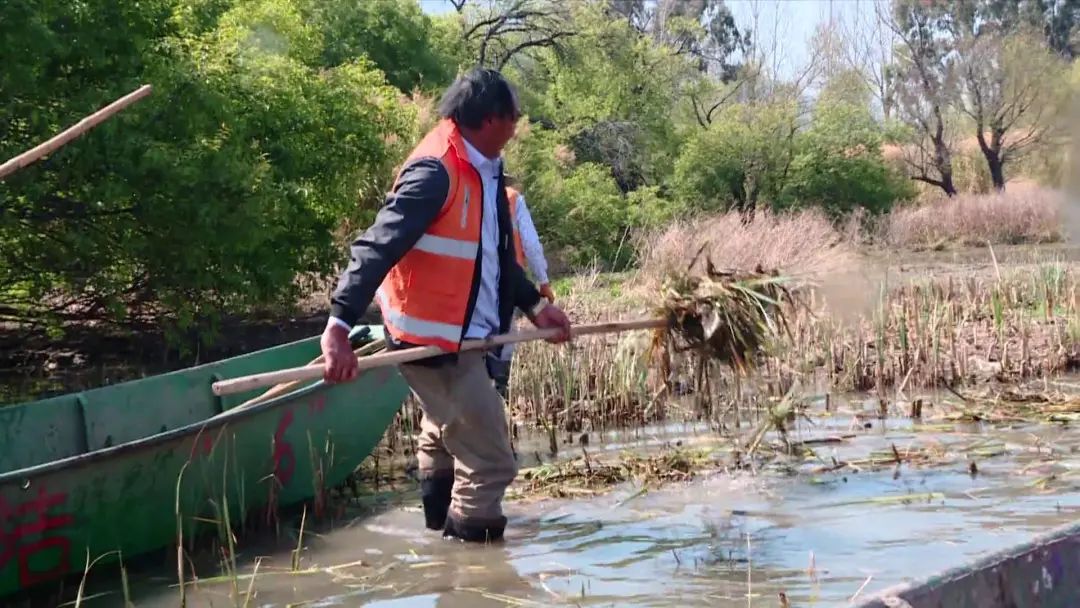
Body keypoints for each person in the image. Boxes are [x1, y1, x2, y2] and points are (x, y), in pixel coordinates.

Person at [320, 68, 572, 544]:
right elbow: (376, 247)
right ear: (491, 119)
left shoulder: (485, 168)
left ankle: (437, 528)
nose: (518, 126)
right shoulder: (435, 169)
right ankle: (468, 565)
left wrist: (537, 309)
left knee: (444, 427)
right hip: (432, 340)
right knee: (491, 459)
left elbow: (497, 256)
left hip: (464, 334)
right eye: (514, 117)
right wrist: (338, 325)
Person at [486, 179, 554, 399]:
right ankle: (499, 392)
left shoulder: (468, 195)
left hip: (475, 285)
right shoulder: (513, 199)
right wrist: (543, 281)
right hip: (508, 284)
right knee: (506, 339)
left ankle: (487, 393)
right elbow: (532, 246)